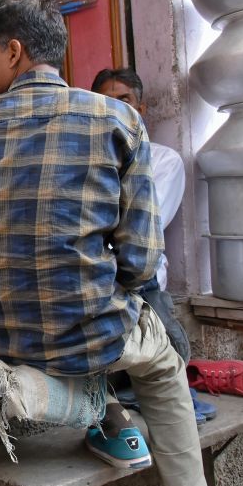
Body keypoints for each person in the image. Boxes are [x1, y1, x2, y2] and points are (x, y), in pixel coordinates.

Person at [0, 0, 234, 486]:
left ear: (14, 51)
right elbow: (141, 262)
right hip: (90, 333)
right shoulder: (118, 120)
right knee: (165, 367)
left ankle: (109, 413)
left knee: (119, 331)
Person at [91, 68, 190, 363]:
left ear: (140, 108)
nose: (118, 108)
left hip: (141, 284)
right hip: (95, 280)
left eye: (126, 99)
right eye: (107, 101)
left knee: (166, 358)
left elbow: (144, 227)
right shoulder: (89, 162)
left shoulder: (164, 161)